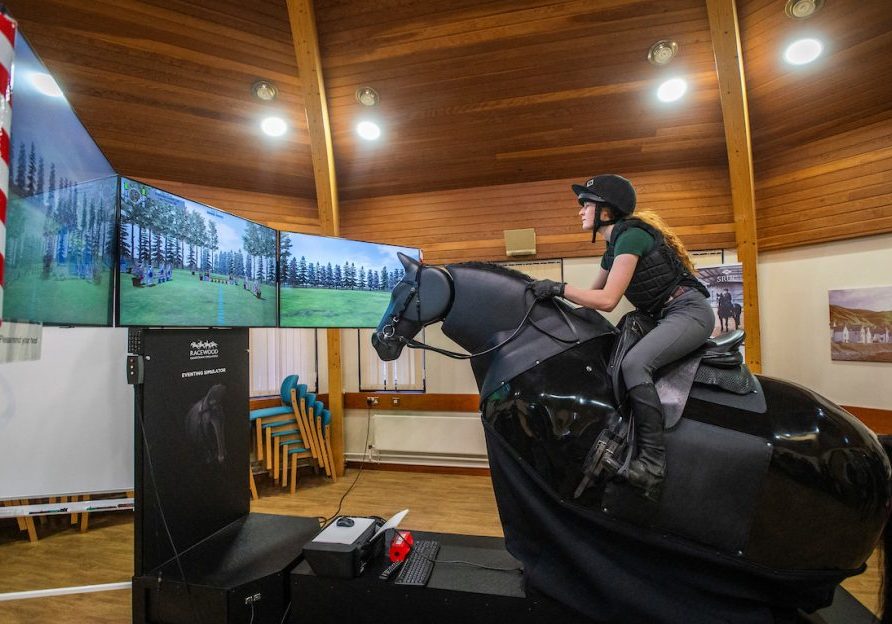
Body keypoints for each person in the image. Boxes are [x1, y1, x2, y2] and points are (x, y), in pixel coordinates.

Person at [527, 174, 713, 498]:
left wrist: (558, 287)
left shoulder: (631, 236)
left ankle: (652, 465)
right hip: (665, 315)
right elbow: (590, 296)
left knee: (634, 364)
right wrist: (552, 307)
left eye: (586, 204)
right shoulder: (613, 247)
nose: (580, 210)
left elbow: (607, 300)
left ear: (607, 211)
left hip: (689, 312)